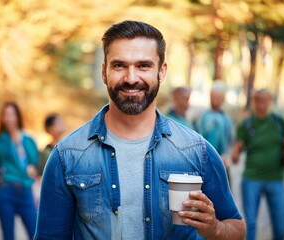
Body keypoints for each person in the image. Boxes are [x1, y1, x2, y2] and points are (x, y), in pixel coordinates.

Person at [35, 20, 246, 240]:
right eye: (119, 65)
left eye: (143, 65)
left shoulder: (197, 151)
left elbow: (237, 230)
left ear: (162, 71)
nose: (131, 78)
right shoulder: (67, 155)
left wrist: (214, 228)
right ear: (104, 72)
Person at [232, 89, 284, 240]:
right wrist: (236, 151)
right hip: (252, 178)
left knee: (280, 225)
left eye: (264, 101)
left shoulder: (281, 123)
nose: (261, 105)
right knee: (250, 224)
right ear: (253, 102)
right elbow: (235, 157)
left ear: (271, 102)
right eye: (257, 101)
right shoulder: (246, 124)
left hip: (276, 179)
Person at [0, 102, 39, 240]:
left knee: (36, 234)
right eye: (5, 115)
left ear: (18, 117)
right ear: (1, 118)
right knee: (8, 236)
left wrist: (34, 170)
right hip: (6, 191)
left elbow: (36, 165)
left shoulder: (28, 140)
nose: (8, 118)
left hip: (26, 192)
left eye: (11, 115)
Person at [196, 80, 234, 183]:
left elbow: (230, 140)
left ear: (223, 99)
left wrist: (226, 156)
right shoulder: (202, 116)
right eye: (213, 96)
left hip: (223, 161)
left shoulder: (226, 118)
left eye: (219, 97)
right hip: (204, 161)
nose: (215, 100)